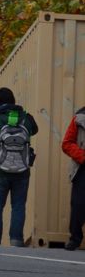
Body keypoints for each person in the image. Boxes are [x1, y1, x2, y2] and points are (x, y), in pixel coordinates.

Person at [0, 86, 38, 247]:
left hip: (0, 169)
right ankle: (16, 240)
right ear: (13, 100)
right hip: (22, 170)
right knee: (18, 205)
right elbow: (34, 130)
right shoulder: (26, 117)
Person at [61, 104, 85, 251]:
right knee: (78, 204)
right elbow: (67, 144)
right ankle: (75, 238)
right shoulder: (78, 118)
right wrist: (83, 156)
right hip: (82, 168)